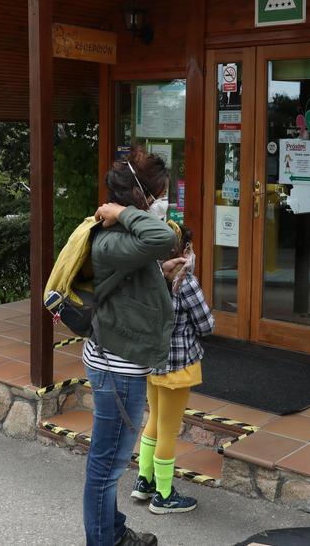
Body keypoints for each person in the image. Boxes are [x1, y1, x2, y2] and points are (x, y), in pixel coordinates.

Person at [83, 149, 183, 546]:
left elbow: (136, 268)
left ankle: (113, 532)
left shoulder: (125, 235)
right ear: (141, 196)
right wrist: (121, 212)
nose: (164, 200)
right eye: (158, 193)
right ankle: (103, 541)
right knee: (106, 466)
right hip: (117, 368)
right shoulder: (112, 237)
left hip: (119, 359)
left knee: (110, 461)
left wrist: (160, 272)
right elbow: (162, 237)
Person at [131, 226, 214, 514]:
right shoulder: (186, 283)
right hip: (178, 366)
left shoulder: (148, 276)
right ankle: (164, 495)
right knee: (169, 429)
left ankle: (144, 480)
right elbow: (206, 325)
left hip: (153, 361)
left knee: (153, 419)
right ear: (185, 250)